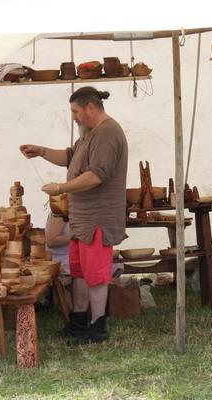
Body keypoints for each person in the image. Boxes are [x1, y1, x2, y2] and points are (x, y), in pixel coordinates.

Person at [20, 86, 128, 344]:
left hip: (98, 218)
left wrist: (61, 188)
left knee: (96, 275)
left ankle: (97, 327)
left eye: (75, 111)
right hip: (82, 219)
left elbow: (96, 176)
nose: (74, 117)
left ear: (90, 108)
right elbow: (70, 157)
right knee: (79, 273)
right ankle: (79, 322)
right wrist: (41, 151)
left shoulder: (108, 133)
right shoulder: (90, 134)